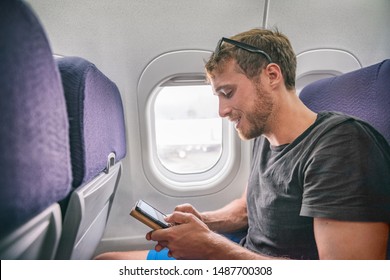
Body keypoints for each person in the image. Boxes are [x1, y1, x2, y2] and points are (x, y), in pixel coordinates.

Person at [95, 28, 390, 260]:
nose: (222, 111)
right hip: (244, 254)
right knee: (105, 262)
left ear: (271, 75)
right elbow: (248, 209)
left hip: (246, 261)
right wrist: (204, 222)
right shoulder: (263, 136)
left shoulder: (342, 145)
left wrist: (212, 248)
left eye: (228, 92)